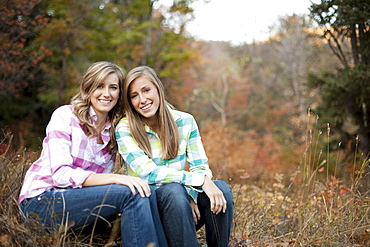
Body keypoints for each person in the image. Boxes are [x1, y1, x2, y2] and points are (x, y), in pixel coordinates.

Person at [18, 61, 167, 247]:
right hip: (42, 202)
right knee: (132, 193)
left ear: (119, 94)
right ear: (88, 89)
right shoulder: (65, 116)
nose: (106, 94)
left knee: (144, 190)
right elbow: (60, 175)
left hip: (77, 204)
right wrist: (116, 180)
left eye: (113, 87)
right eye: (99, 86)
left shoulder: (114, 129)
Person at [115, 65, 234, 247]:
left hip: (181, 210)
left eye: (146, 90)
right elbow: (149, 173)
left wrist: (192, 196)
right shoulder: (125, 128)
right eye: (134, 95)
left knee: (221, 189)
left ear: (158, 88)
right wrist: (198, 181)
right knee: (174, 191)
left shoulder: (185, 121)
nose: (142, 99)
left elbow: (200, 166)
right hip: (149, 210)